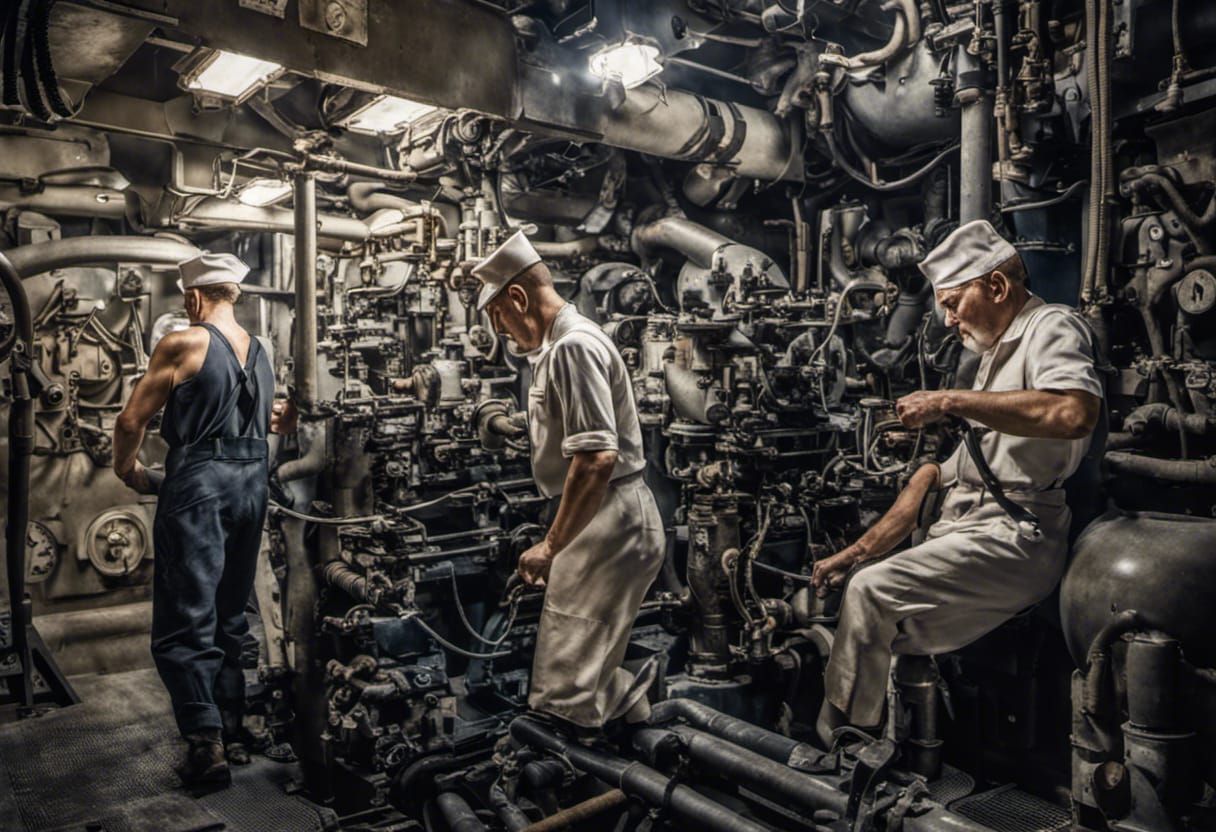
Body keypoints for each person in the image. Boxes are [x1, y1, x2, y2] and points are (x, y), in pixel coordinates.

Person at [810, 220, 1102, 747]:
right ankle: (902, 753)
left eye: (952, 303)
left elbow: (1073, 411)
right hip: (971, 529)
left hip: (1016, 538)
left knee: (873, 596)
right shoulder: (995, 356)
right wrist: (856, 550)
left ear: (995, 286)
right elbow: (942, 477)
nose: (947, 321)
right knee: (878, 623)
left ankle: (839, 747)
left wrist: (947, 401)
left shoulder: (1052, 327)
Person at [471, 230, 665, 735]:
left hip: (607, 523)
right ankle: (640, 751)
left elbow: (598, 457)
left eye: (500, 319)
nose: (504, 334)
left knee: (563, 694)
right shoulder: (562, 346)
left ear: (517, 297)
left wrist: (549, 546)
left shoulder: (574, 347)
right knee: (588, 679)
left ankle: (579, 792)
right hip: (604, 519)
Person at [113, 252, 276, 788]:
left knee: (185, 618)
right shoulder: (263, 349)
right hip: (254, 484)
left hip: (200, 484)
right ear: (235, 294)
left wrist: (128, 469)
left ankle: (205, 748)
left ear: (193, 298)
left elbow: (131, 418)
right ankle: (235, 726)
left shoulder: (182, 342)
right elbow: (278, 418)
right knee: (231, 612)